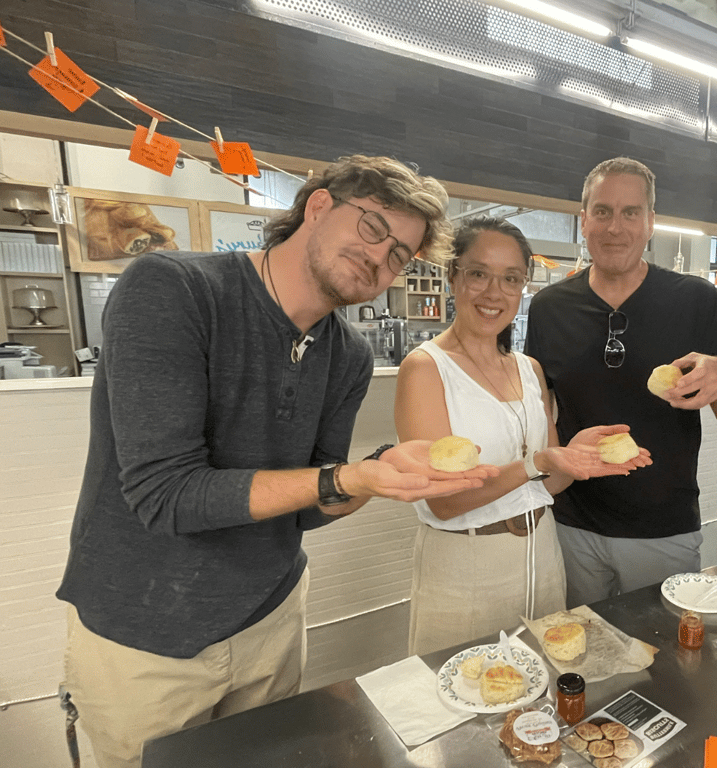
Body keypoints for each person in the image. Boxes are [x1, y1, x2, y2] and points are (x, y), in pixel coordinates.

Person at [56, 155, 497, 768]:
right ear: (318, 207)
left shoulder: (347, 356)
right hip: (146, 635)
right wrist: (345, 477)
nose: (380, 258)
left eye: (400, 254)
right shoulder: (174, 288)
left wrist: (378, 474)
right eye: (373, 229)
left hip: (271, 622)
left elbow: (307, 511)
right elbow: (165, 494)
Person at [395, 216, 649, 654]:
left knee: (544, 692)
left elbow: (548, 483)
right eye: (478, 274)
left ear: (523, 287)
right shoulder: (425, 368)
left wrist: (572, 457)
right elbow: (444, 500)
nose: (494, 293)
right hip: (466, 564)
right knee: (467, 698)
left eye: (511, 279)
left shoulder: (528, 369)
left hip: (542, 554)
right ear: (453, 276)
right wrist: (538, 462)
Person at [525, 158, 717, 608]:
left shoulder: (695, 299)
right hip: (571, 525)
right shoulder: (549, 308)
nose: (616, 227)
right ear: (584, 218)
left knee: (665, 663)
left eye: (631, 213)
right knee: (578, 658)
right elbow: (537, 411)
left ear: (651, 222)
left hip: (663, 528)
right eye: (603, 211)